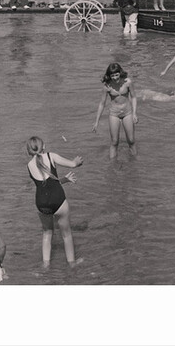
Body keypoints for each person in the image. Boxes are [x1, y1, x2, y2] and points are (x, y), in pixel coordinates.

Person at [26, 137, 83, 268]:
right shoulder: (51, 156)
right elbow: (73, 164)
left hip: (41, 204)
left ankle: (46, 265)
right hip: (58, 201)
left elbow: (45, 185)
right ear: (44, 146)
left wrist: (64, 179)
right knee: (66, 234)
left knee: (47, 233)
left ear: (28, 151)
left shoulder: (29, 166)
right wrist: (77, 161)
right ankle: (72, 264)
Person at [93, 63, 138, 159]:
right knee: (114, 142)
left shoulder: (128, 82)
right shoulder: (107, 86)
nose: (115, 78)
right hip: (114, 114)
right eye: (112, 75)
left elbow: (134, 97)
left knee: (131, 140)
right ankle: (112, 165)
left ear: (120, 73)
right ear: (109, 76)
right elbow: (102, 103)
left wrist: (134, 114)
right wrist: (96, 121)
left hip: (127, 112)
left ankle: (135, 161)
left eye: (116, 75)